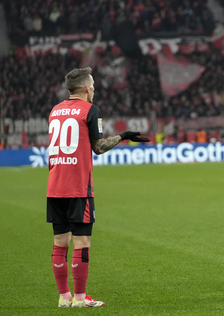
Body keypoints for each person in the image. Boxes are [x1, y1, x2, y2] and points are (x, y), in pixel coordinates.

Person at [47, 67, 149, 308]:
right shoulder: (91, 110)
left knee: (60, 243)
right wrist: (123, 136)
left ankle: (64, 298)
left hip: (54, 187)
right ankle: (80, 300)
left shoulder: (55, 110)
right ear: (85, 88)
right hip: (78, 188)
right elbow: (99, 147)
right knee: (82, 244)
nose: (94, 89)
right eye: (92, 86)